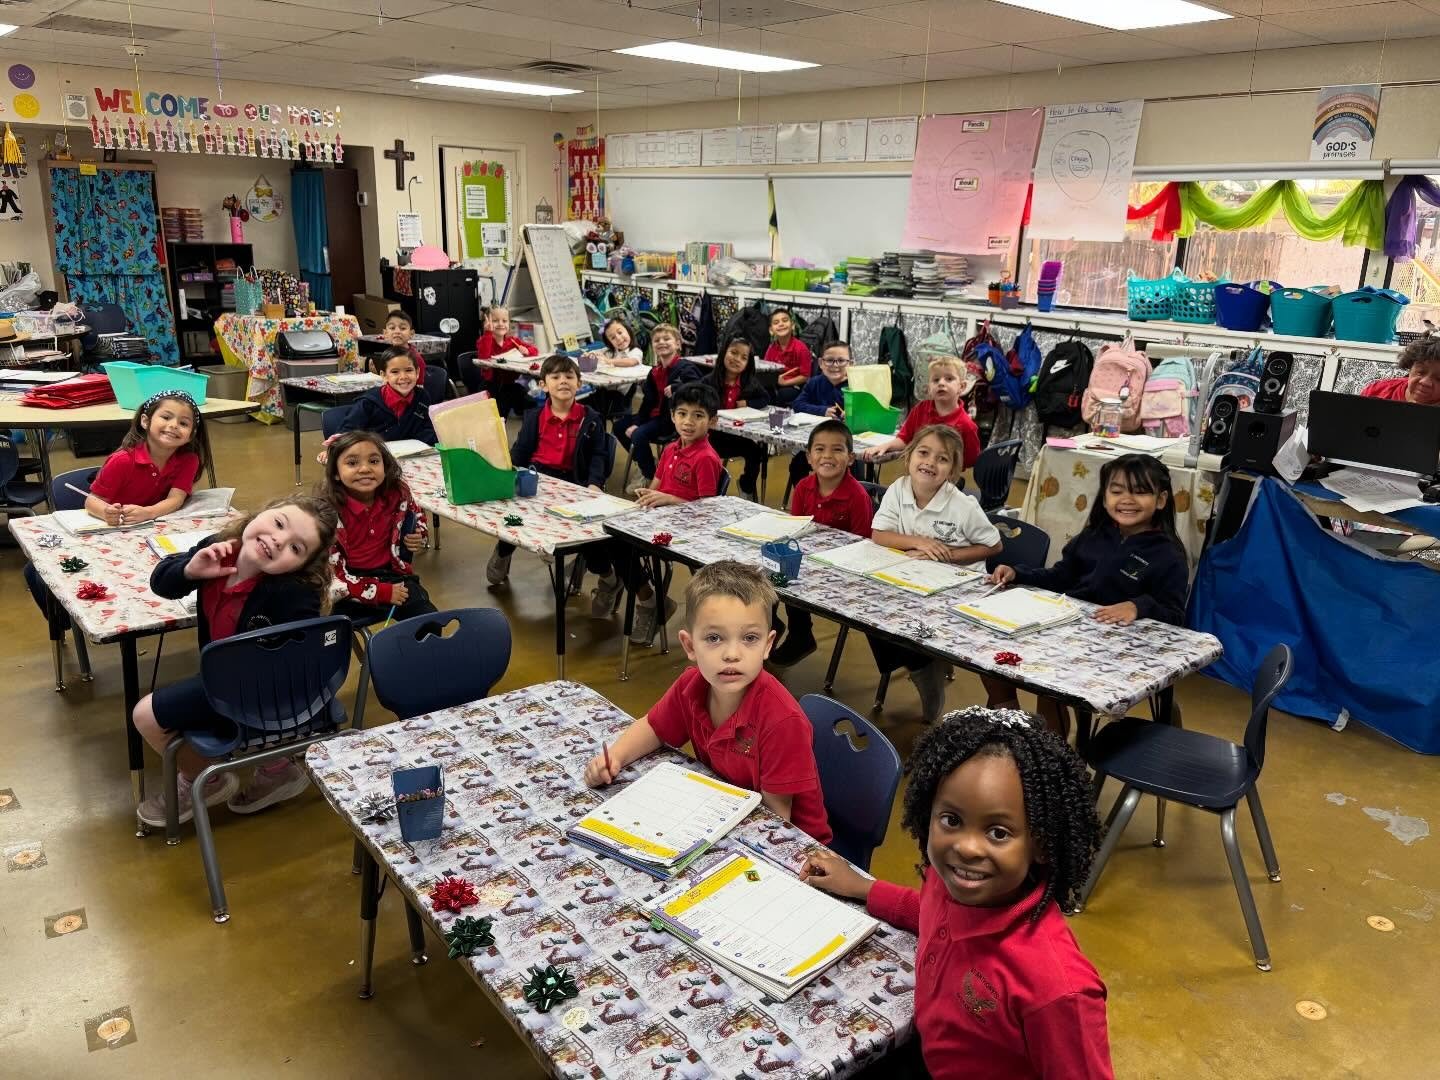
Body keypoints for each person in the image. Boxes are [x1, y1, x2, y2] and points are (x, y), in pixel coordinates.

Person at [801, 707, 1111, 1080]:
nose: (965, 848)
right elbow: (929, 911)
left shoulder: (1056, 990)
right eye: (951, 820)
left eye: (998, 832)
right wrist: (862, 887)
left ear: (1042, 844)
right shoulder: (948, 884)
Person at [583, 561, 832, 845]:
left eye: (750, 638)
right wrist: (615, 757)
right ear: (690, 646)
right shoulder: (692, 686)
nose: (732, 654)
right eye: (714, 638)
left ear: (767, 644)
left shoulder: (781, 720)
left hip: (798, 849)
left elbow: (778, 821)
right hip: (727, 810)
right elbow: (654, 727)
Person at [132, 496, 340, 827]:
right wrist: (189, 569)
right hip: (222, 678)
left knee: (146, 715)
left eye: (296, 548)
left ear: (303, 566)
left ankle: (205, 778)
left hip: (256, 691)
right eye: (278, 523)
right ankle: (274, 768)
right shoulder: (217, 547)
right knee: (168, 711)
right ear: (261, 513)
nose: (277, 539)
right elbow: (162, 582)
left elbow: (297, 666)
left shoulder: (293, 593)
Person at [982, 453, 1187, 736]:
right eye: (1116, 491)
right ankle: (1011, 721)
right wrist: (1019, 574)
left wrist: (1138, 606)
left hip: (1112, 652)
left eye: (1140, 492)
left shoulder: (1169, 555)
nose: (1126, 499)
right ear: (1104, 498)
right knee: (990, 647)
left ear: (1161, 500)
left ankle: (1050, 755)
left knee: (1049, 685)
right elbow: (1060, 576)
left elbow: (1175, 618)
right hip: (1067, 631)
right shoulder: (1094, 535)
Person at [25, 391, 207, 642]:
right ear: (145, 421)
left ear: (192, 434)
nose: (174, 426)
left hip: (150, 535)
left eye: (184, 423)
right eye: (166, 417)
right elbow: (92, 501)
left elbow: (176, 499)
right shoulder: (123, 460)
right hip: (113, 534)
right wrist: (106, 512)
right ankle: (65, 619)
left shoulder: (188, 460)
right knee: (40, 571)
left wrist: (148, 513)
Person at [871, 425, 1003, 722]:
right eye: (923, 452)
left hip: (955, 588)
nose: (930, 462)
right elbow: (879, 533)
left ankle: (926, 668)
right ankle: (923, 667)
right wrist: (919, 542)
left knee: (913, 625)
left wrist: (951, 554)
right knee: (871, 617)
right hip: (909, 581)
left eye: (942, 459)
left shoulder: (962, 506)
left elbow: (993, 545)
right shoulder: (898, 489)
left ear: (953, 470)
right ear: (908, 456)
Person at [595, 382, 724, 647]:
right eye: (682, 414)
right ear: (673, 416)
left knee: (621, 546)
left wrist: (669, 500)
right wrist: (648, 496)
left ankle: (648, 601)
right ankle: (647, 597)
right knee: (603, 535)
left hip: (685, 532)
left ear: (712, 421)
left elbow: (709, 508)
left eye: (698, 415)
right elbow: (657, 480)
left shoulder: (706, 458)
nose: (688, 421)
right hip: (658, 519)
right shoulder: (670, 449)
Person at [487, 354, 613, 587]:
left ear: (580, 383)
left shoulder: (592, 418)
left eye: (569, 376)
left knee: (589, 531)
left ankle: (607, 576)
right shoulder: (534, 417)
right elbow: (520, 451)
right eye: (555, 377)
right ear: (543, 384)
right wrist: (506, 471)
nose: (563, 381)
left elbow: (599, 455)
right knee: (514, 515)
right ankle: (503, 552)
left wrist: (594, 482)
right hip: (537, 477)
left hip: (574, 482)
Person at [768, 420, 874, 668]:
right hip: (805, 560)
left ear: (850, 458)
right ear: (808, 457)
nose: (827, 456)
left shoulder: (857, 496)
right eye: (819, 449)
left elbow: (863, 545)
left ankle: (801, 634)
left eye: (837, 449)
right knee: (769, 574)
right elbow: (795, 531)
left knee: (793, 577)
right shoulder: (804, 487)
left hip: (839, 569)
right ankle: (771, 625)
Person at [321, 431, 436, 623]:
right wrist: (381, 592)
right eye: (352, 463)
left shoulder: (398, 493)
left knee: (429, 620)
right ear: (335, 473)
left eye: (374, 461)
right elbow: (334, 578)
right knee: (331, 634)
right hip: (346, 582)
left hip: (392, 574)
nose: (365, 469)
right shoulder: (328, 513)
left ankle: (417, 654)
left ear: (385, 466)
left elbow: (418, 515)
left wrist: (419, 534)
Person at [614, 322, 703, 490]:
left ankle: (650, 476)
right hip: (652, 417)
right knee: (619, 426)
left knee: (638, 435)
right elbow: (647, 402)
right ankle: (645, 462)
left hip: (669, 420)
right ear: (653, 346)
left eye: (666, 339)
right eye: (657, 340)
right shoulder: (654, 372)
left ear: (678, 343)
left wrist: (677, 388)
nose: (661, 342)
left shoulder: (685, 367)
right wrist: (638, 422)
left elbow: (699, 386)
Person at [864, 355, 981, 469]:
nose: (941, 383)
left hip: (947, 480)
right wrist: (886, 446)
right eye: (936, 380)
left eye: (949, 379)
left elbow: (971, 461)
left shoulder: (967, 426)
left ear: (962, 386)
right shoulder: (920, 410)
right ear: (929, 388)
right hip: (918, 473)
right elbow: (905, 439)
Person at [704, 336, 771, 498]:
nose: (737, 359)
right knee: (706, 455)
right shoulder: (709, 380)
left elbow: (765, 398)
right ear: (723, 353)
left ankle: (746, 486)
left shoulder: (749, 382)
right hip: (711, 436)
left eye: (743, 357)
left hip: (736, 436)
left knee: (756, 451)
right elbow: (698, 400)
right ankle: (708, 491)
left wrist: (748, 402)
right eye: (733, 353)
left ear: (748, 363)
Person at [338, 346, 437, 446]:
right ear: (384, 375)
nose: (403, 377)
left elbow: (427, 431)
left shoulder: (422, 397)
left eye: (408, 370)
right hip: (376, 457)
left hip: (412, 456)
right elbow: (346, 435)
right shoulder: (367, 403)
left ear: (417, 373)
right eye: (395, 372)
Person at [787, 340, 852, 487]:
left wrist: (852, 415)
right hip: (819, 443)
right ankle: (806, 499)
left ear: (851, 364)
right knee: (797, 465)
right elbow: (798, 404)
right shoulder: (814, 382)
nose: (835, 365)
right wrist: (822, 411)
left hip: (847, 445)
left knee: (853, 468)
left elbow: (868, 413)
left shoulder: (857, 385)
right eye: (829, 360)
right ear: (821, 363)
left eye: (841, 361)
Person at [469, 304, 538, 415]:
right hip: (491, 386)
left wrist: (527, 351)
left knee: (531, 404)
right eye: (495, 321)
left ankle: (528, 429)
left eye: (505, 321)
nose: (501, 324)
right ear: (487, 323)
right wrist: (487, 333)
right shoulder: (484, 340)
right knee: (500, 412)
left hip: (510, 385)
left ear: (509, 323)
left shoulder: (512, 341)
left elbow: (534, 350)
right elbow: (484, 360)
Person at [584, 316, 645, 418]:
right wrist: (590, 355)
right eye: (613, 338)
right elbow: (596, 353)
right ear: (610, 343)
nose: (618, 338)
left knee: (590, 409)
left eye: (620, 332)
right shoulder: (612, 352)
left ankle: (597, 425)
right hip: (605, 394)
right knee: (585, 403)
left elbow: (632, 362)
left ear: (628, 330)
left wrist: (609, 361)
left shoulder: (635, 351)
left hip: (619, 398)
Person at [1362, 337, 1440, 404]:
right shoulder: (1376, 391)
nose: (1425, 382)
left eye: (1439, 379)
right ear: (1410, 368)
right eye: (1420, 372)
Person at [766, 309, 813, 405]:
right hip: (775, 383)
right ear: (771, 330)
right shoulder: (771, 348)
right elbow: (766, 368)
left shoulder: (801, 348)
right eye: (776, 322)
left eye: (785, 320)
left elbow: (805, 376)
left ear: (793, 326)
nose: (781, 324)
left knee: (784, 394)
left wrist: (784, 383)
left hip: (794, 385)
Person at [381, 308, 427, 384]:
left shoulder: (416, 358)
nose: (397, 331)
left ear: (411, 334)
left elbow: (419, 387)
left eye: (402, 328)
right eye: (392, 328)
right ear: (385, 333)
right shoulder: (387, 355)